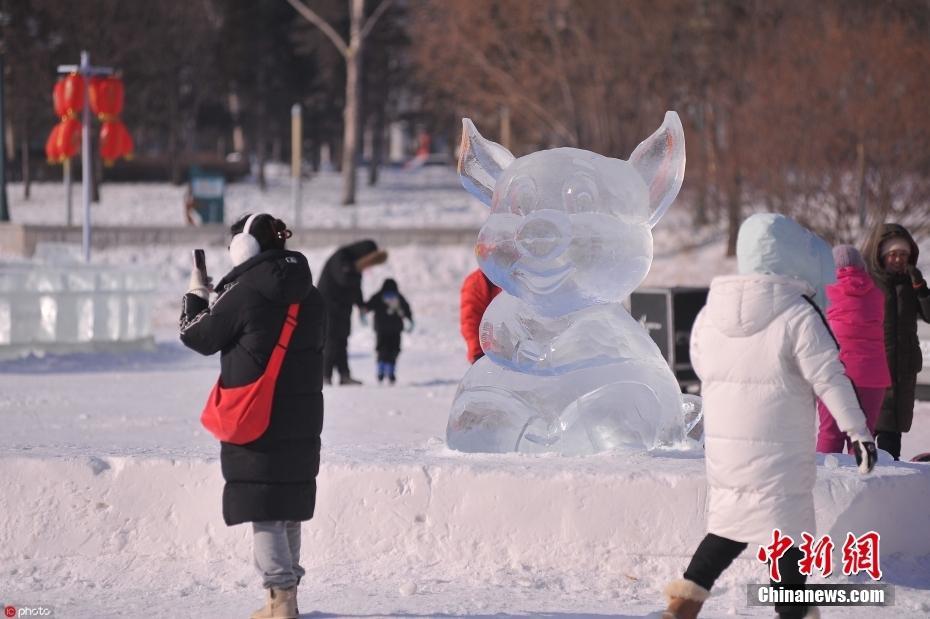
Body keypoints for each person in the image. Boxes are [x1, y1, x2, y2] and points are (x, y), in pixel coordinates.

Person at [662, 214, 875, 619]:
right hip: (779, 460)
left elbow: (703, 368)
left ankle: (681, 607)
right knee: (788, 544)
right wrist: (858, 432)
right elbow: (830, 377)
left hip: (726, 458)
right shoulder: (798, 314)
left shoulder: (710, 314)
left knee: (726, 533)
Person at [179, 213, 325, 619]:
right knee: (289, 502)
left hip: (256, 416)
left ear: (244, 249)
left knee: (264, 506)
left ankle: (281, 600)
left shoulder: (243, 293)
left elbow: (196, 334)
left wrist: (196, 292)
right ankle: (285, 596)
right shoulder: (311, 295)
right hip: (304, 415)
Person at [862, 223, 930, 460]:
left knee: (892, 431)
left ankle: (890, 475)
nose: (899, 260)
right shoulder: (868, 282)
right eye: (893, 255)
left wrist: (921, 288)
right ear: (881, 256)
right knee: (869, 425)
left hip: (903, 368)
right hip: (875, 365)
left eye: (903, 255)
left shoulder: (911, 283)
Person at [816, 245, 890, 453]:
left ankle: (825, 484)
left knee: (830, 434)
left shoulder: (824, 291)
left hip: (836, 373)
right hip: (873, 375)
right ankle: (863, 483)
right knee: (863, 435)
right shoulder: (877, 295)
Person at [317, 239, 388, 385]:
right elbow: (344, 279)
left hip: (343, 308)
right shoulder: (341, 257)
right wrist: (356, 268)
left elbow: (356, 287)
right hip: (329, 308)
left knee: (342, 340)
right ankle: (325, 376)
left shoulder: (354, 265)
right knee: (331, 341)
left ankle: (344, 375)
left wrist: (361, 306)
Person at [365, 278, 413, 384]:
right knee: (394, 350)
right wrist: (410, 319)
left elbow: (368, 306)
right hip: (395, 330)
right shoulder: (399, 297)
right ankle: (391, 370)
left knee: (381, 349)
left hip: (381, 329)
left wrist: (363, 311)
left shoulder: (378, 296)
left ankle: (380, 368)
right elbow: (407, 309)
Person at [459, 268, 501, 363]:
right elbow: (470, 321)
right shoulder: (476, 282)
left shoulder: (516, 278)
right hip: (487, 353)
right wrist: (477, 352)